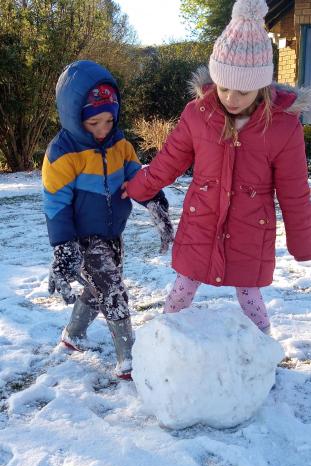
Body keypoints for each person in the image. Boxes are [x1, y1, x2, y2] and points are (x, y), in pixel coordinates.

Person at [122, 0, 311, 335]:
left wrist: (304, 241)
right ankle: (164, 343)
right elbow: (169, 160)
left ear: (262, 85)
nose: (231, 98)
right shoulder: (198, 114)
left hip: (250, 230)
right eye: (224, 87)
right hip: (202, 223)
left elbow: (294, 192)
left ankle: (262, 353)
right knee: (181, 292)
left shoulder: (283, 127)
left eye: (243, 90)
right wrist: (140, 186)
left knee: (250, 297)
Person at [42, 60, 174, 380]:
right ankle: (129, 359)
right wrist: (64, 248)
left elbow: (135, 179)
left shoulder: (120, 144)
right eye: (94, 123)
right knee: (112, 289)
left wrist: (156, 203)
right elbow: (56, 205)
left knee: (97, 290)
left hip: (112, 234)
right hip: (83, 239)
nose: (103, 129)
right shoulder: (62, 154)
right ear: (75, 118)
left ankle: (73, 334)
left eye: (108, 120)